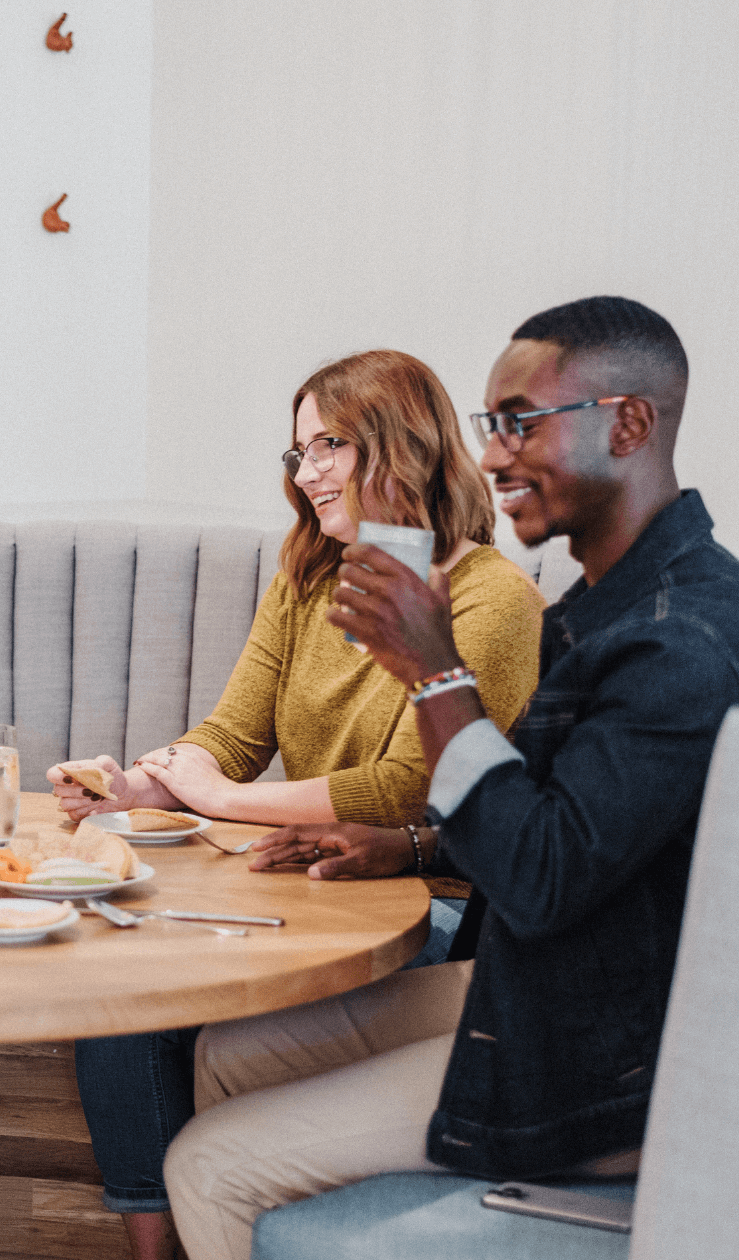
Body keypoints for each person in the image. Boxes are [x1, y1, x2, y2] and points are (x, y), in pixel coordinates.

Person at [163, 296, 739, 1260]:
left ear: (629, 424)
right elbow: (569, 828)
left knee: (208, 1166)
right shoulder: (619, 600)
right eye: (488, 426)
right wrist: (409, 845)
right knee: (228, 1051)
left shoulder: (676, 637)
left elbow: (542, 876)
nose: (492, 455)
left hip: (605, 1058)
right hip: (557, 988)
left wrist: (434, 673)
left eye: (522, 424)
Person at [43, 350, 545, 1260]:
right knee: (114, 987)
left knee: (176, 1014)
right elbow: (232, 732)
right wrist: (141, 788)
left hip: (424, 908)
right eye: (296, 455)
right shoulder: (311, 577)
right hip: (297, 887)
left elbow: (411, 785)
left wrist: (226, 799)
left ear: (403, 445)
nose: (305, 473)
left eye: (328, 447)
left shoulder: (492, 599)